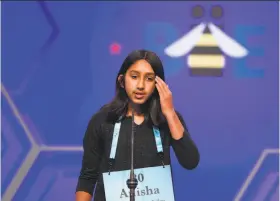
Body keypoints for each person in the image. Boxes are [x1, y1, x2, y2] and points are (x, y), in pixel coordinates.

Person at [75, 50, 200, 201]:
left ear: (158, 84)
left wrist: (170, 112)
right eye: (134, 77)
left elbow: (191, 162)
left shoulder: (168, 119)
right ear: (122, 80)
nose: (140, 85)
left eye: (149, 79)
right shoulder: (103, 120)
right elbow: (87, 177)